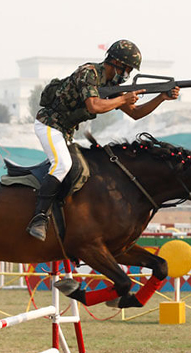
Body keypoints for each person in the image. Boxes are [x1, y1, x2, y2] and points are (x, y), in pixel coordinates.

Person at [27, 39, 180, 241]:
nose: (127, 74)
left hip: (65, 130)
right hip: (49, 124)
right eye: (126, 68)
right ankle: (39, 218)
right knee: (62, 165)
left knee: (82, 169)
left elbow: (135, 113)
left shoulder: (113, 85)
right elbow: (94, 106)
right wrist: (123, 99)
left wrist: (161, 97)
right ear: (114, 62)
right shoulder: (88, 73)